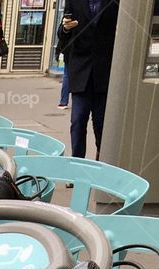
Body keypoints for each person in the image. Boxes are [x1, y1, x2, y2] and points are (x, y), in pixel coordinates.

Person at [59, 0, 118, 158]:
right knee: (78, 121)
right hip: (81, 71)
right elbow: (63, 35)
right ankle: (78, 166)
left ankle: (101, 160)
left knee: (101, 125)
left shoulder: (115, 2)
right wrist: (65, 29)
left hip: (104, 72)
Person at [54, 19, 70, 107]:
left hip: (68, 52)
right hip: (72, 53)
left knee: (67, 76)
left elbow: (60, 35)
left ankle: (64, 101)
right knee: (67, 76)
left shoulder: (68, 19)